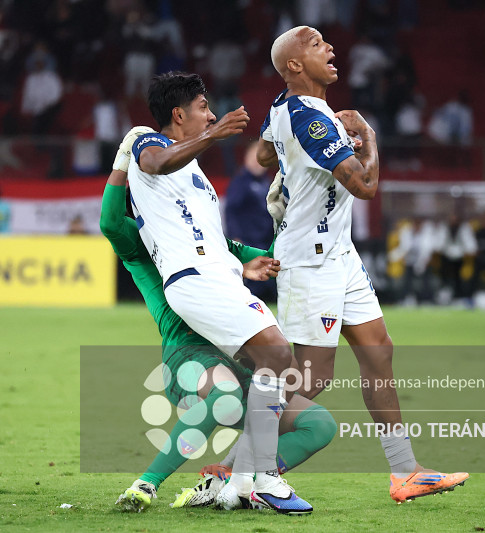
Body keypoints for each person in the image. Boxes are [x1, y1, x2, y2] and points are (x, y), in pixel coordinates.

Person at [257, 26, 469, 503]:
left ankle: (405, 472)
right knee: (314, 374)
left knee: (378, 350)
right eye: (315, 44)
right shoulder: (312, 121)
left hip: (339, 254)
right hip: (310, 259)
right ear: (294, 66)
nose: (330, 48)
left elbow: (262, 151)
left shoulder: (284, 108)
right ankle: (239, 467)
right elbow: (366, 186)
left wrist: (288, 165)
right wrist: (368, 137)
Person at [101, 129, 335, 512]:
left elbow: (268, 258)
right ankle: (146, 484)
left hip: (236, 354)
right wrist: (122, 162)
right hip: (188, 356)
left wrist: (287, 219)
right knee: (225, 395)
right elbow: (111, 222)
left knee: (320, 423)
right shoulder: (137, 240)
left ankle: (235, 478)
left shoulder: (203, 239)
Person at [225, 141, 275, 301]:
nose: (256, 162)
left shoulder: (268, 183)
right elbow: (231, 210)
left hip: (264, 243)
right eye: (253, 157)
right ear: (246, 158)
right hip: (248, 244)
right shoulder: (241, 182)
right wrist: (235, 237)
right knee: (249, 290)